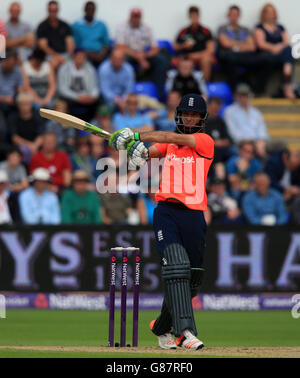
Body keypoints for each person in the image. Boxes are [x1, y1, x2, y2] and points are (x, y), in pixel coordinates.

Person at [109, 93, 215, 350]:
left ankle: (160, 328)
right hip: (166, 212)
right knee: (177, 266)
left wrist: (134, 135)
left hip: (194, 215)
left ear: (202, 118)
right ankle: (185, 332)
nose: (189, 118)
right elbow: (148, 154)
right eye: (186, 113)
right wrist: (132, 150)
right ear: (180, 114)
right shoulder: (171, 147)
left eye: (195, 114)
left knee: (192, 281)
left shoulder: (203, 141)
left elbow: (168, 137)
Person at [115, 8, 168, 100]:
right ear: (130, 17)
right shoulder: (122, 27)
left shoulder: (147, 27)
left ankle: (159, 94)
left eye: (137, 17)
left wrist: (144, 56)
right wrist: (140, 58)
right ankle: (124, 94)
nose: (135, 19)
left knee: (161, 60)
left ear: (140, 17)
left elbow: (155, 48)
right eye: (133, 17)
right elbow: (120, 47)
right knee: (122, 59)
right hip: (129, 54)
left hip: (143, 54)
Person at [217, 5, 265, 93]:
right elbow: (225, 44)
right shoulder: (222, 28)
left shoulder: (245, 29)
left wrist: (234, 45)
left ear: (239, 16)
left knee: (264, 60)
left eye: (236, 15)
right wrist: (243, 45)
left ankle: (257, 91)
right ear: (228, 15)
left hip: (244, 56)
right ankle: (234, 91)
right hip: (229, 57)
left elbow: (252, 47)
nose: (234, 17)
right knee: (230, 59)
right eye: (232, 14)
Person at [254, 3, 295, 99]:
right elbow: (261, 44)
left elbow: (286, 42)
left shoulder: (280, 27)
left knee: (288, 50)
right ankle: (287, 82)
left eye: (272, 12)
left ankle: (287, 81)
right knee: (284, 56)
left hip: (280, 55)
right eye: (268, 12)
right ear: (263, 14)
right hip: (266, 54)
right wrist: (274, 48)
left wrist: (278, 47)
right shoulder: (259, 27)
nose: (270, 15)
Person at [224, 83, 269, 158]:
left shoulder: (256, 112)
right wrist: (251, 142)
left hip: (258, 143)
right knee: (256, 150)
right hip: (240, 143)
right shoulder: (229, 112)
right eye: (241, 95)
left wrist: (261, 141)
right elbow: (233, 134)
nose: (243, 98)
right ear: (236, 96)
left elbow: (262, 130)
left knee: (280, 145)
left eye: (245, 95)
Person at [174, 6, 215, 82]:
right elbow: (175, 46)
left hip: (201, 56)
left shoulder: (206, 31)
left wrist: (195, 56)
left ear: (199, 16)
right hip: (188, 57)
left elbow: (210, 50)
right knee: (184, 62)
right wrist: (183, 46)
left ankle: (204, 87)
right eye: (192, 16)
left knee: (206, 60)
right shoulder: (183, 31)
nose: (194, 18)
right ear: (189, 17)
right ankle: (185, 87)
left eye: (196, 16)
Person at [57, 48, 100, 122]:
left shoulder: (90, 68)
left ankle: (92, 125)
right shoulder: (64, 68)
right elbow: (62, 89)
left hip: (86, 97)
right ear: (73, 57)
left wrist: (92, 96)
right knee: (66, 103)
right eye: (79, 56)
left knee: (98, 102)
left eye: (83, 57)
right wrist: (77, 97)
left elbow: (95, 87)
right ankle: (71, 126)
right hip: (71, 97)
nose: (81, 59)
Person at [37, 1, 75, 69]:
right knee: (54, 63)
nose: (53, 13)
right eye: (51, 11)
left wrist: (68, 57)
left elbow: (70, 43)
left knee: (73, 63)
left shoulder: (65, 25)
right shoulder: (42, 26)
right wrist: (57, 56)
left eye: (55, 11)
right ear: (48, 10)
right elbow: (43, 46)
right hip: (49, 56)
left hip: (65, 55)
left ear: (58, 11)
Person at [72, 1, 110, 66]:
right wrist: (88, 53)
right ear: (84, 10)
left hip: (99, 55)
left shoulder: (101, 25)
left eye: (92, 10)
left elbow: (106, 44)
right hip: (84, 54)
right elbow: (75, 45)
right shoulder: (76, 25)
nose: (90, 12)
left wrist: (101, 54)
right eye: (88, 9)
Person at [9, 93, 44, 161]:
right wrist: (30, 146)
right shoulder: (13, 118)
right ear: (18, 105)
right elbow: (15, 138)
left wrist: (35, 146)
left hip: (36, 146)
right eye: (22, 104)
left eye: (27, 104)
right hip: (21, 146)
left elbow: (41, 135)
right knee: (24, 151)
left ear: (31, 105)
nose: (24, 107)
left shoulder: (37, 117)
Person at [0, 49, 24, 117]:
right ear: (4, 61)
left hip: (13, 101)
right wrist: (4, 99)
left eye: (13, 65)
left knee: (26, 104)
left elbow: (20, 88)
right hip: (1, 100)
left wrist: (19, 98)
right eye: (10, 64)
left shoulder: (16, 70)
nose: (12, 67)